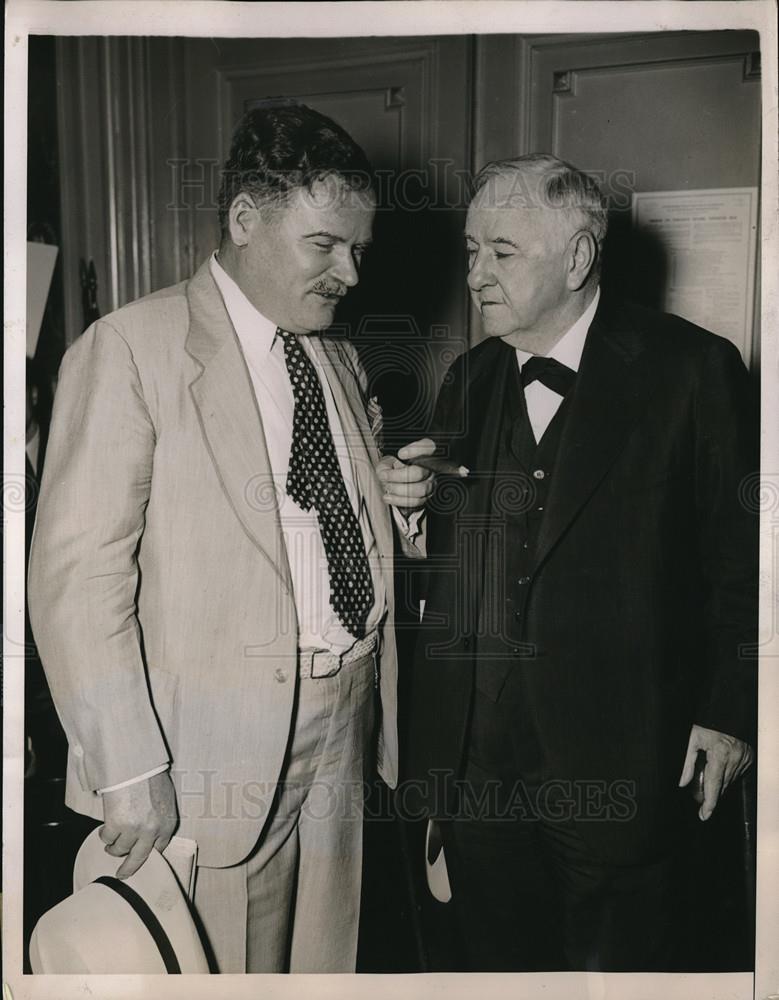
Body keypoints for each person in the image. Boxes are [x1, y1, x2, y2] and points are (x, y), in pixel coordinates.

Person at [27, 104, 434, 974]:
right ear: (246, 220)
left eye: (359, 250)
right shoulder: (130, 350)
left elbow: (329, 526)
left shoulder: (337, 356)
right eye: (324, 244)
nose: (349, 274)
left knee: (326, 967)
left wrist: (399, 505)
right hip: (204, 755)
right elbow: (76, 577)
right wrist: (127, 767)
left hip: (345, 717)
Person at [402, 154, 758, 971]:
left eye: (501, 252)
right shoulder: (466, 379)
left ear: (576, 258)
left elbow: (747, 565)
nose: (475, 274)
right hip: (481, 773)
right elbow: (453, 568)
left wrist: (730, 711)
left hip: (624, 765)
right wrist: (412, 517)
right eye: (468, 250)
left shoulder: (692, 370)